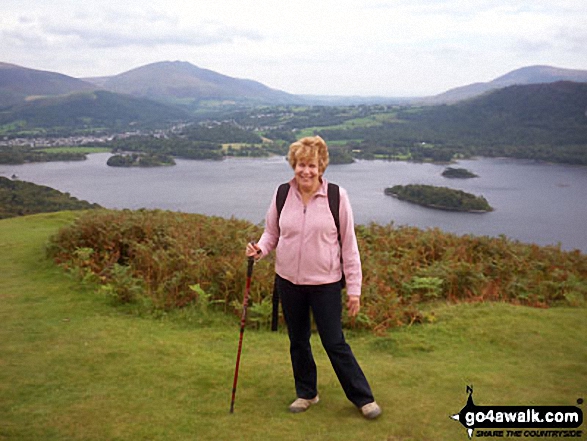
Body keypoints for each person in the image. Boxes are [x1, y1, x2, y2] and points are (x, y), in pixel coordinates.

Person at [245, 136, 381, 420]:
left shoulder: (336, 197)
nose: (305, 171)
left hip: (325, 284)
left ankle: (363, 398)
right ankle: (307, 393)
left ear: (322, 167)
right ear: (293, 165)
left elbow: (349, 246)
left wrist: (354, 290)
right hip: (288, 282)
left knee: (334, 342)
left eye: (312, 165)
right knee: (298, 340)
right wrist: (260, 250)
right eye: (300, 165)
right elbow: (272, 233)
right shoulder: (282, 193)